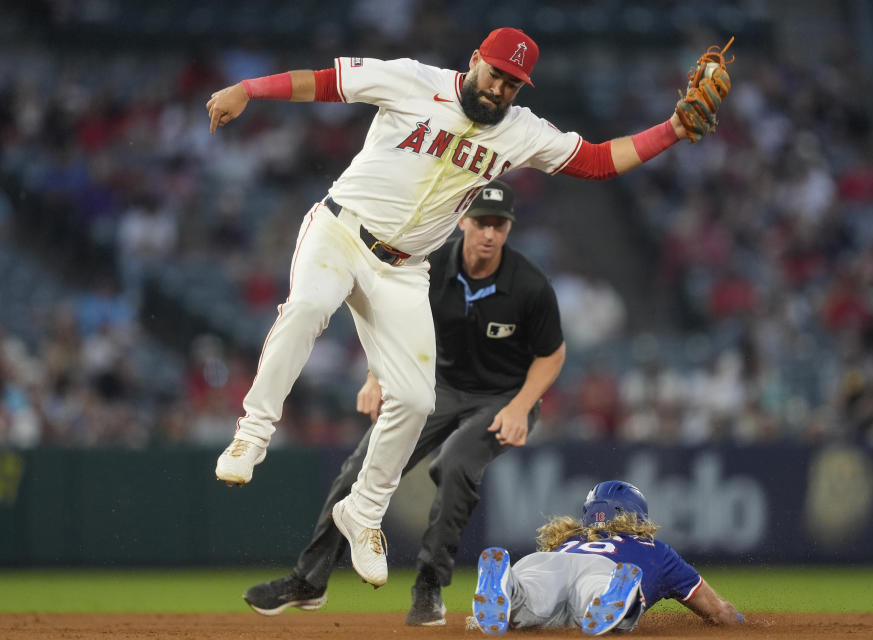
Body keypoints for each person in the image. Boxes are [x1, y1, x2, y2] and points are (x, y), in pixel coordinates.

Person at [206, 27, 732, 588]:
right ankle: (253, 433)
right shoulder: (413, 79)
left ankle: (362, 512)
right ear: (476, 60)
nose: (501, 87)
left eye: (514, 82)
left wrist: (674, 129)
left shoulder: (522, 131)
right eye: (497, 73)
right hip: (341, 230)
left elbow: (599, 161)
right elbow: (327, 83)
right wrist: (250, 88)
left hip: (404, 268)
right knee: (309, 306)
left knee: (413, 398)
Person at [242, 179, 566, 626]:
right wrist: (377, 376)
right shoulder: (430, 265)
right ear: (464, 220)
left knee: (454, 463)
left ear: (509, 228)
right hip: (440, 388)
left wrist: (521, 406)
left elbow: (552, 354)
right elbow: (390, 315)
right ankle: (309, 580)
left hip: (504, 396)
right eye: (482, 222)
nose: (489, 233)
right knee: (360, 467)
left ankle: (429, 586)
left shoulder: (528, 284)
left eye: (500, 224)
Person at [472, 480, 744, 636]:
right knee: (591, 596)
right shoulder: (654, 549)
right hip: (607, 569)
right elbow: (720, 613)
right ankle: (611, 598)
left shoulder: (569, 540)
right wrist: (743, 624)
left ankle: (509, 586)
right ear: (638, 515)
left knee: (532, 594)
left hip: (545, 561)